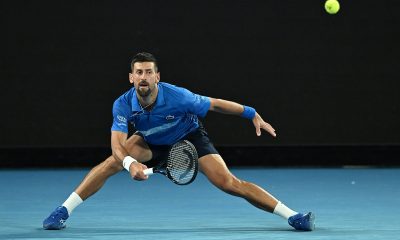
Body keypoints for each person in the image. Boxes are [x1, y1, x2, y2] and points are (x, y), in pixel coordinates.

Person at [43, 52, 315, 231]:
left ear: (157, 77)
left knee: (229, 183)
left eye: (149, 72)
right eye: (138, 72)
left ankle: (293, 216)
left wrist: (251, 113)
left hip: (189, 137)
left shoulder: (179, 97)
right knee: (109, 163)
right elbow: (117, 145)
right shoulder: (123, 104)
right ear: (131, 78)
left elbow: (216, 104)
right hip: (150, 142)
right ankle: (62, 211)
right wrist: (129, 164)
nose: (144, 77)